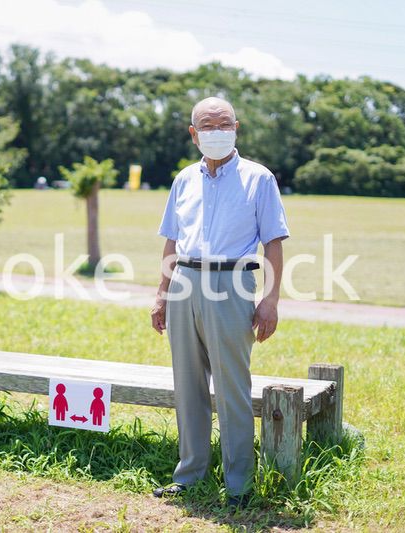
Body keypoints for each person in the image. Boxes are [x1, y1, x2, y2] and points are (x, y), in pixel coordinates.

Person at [150, 96, 290, 508]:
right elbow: (172, 242)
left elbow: (274, 242)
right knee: (187, 384)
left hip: (232, 284)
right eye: (207, 126)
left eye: (224, 124)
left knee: (233, 387)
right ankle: (190, 474)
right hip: (184, 283)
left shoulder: (258, 178)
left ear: (237, 128)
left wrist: (271, 299)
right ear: (194, 134)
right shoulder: (183, 180)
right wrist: (161, 295)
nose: (216, 132)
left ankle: (239, 484)